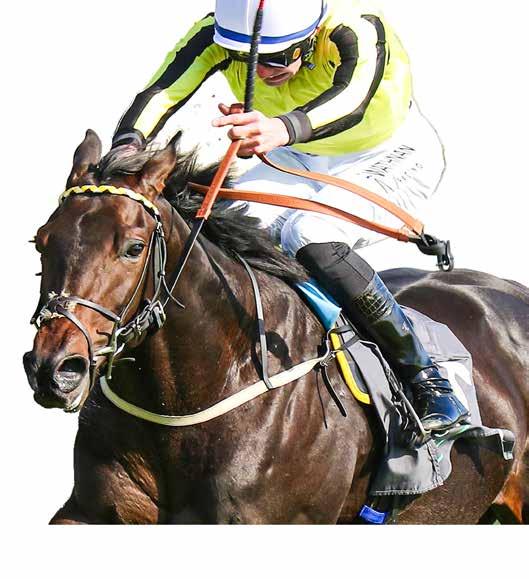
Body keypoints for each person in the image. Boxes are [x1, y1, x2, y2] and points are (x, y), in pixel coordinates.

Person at [111, 0, 469, 433]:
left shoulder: (356, 29)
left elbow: (355, 98)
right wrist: (125, 150)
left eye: (279, 57)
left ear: (311, 35)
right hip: (298, 151)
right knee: (224, 230)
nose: (264, 71)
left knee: (307, 233)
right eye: (249, 59)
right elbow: (163, 92)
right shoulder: (217, 31)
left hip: (388, 153)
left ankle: (428, 379)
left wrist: (281, 128)